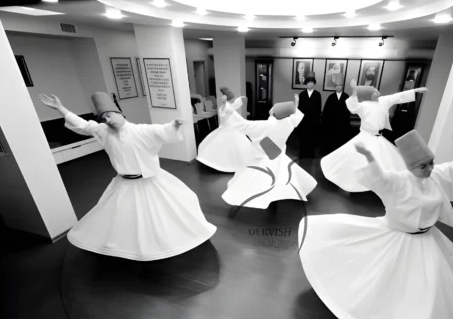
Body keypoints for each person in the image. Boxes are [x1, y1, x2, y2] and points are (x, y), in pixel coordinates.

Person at [299, 129, 453, 319]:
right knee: (387, 278)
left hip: (428, 240)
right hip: (398, 237)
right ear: (410, 166)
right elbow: (377, 178)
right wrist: (370, 158)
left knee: (431, 283)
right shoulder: (396, 181)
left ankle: (426, 318)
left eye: (431, 163)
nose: (430, 169)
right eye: (424, 166)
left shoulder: (437, 176)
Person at [39, 92, 216, 261]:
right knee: (125, 216)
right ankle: (128, 246)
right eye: (104, 118)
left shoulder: (140, 130)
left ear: (119, 113)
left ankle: (164, 241)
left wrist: (174, 125)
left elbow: (161, 130)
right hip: (124, 183)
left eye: (110, 115)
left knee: (167, 210)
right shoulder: (103, 131)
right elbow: (83, 125)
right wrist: (60, 108)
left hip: (150, 182)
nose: (108, 120)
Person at [320, 79, 428, 193]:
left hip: (378, 137)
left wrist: (416, 90)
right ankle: (355, 181)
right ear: (369, 96)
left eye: (376, 90)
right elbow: (352, 105)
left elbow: (397, 97)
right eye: (374, 92)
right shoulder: (364, 105)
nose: (377, 92)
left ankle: (382, 183)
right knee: (357, 159)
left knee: (385, 160)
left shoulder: (384, 101)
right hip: (365, 136)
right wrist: (354, 90)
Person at [222, 95, 317, 209]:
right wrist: (295, 105)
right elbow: (296, 116)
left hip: (265, 157)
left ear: (273, 112)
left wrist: (230, 107)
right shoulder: (287, 124)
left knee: (258, 180)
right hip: (277, 156)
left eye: (273, 108)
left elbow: (242, 125)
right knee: (281, 177)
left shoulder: (265, 124)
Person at [196, 87, 255, 172]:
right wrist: (226, 102)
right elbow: (229, 110)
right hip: (228, 129)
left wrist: (236, 100)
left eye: (224, 96)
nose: (221, 98)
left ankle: (229, 163)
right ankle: (226, 164)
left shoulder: (228, 107)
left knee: (230, 148)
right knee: (228, 148)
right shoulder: (226, 107)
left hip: (229, 129)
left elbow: (232, 107)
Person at [319, 73, 351, 155]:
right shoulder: (331, 97)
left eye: (340, 85)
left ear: (342, 86)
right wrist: (324, 124)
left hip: (342, 125)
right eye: (336, 85)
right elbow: (325, 112)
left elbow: (348, 111)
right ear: (335, 86)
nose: (338, 87)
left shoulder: (346, 97)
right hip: (331, 125)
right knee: (330, 145)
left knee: (340, 144)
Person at [296, 71, 322, 159]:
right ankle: (302, 154)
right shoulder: (302, 94)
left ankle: (311, 154)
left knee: (311, 138)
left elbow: (319, 108)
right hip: (303, 121)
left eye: (312, 82)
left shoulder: (318, 94)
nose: (310, 84)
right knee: (303, 138)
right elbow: (299, 108)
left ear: (314, 83)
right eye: (308, 82)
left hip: (313, 121)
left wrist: (317, 120)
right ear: (306, 83)